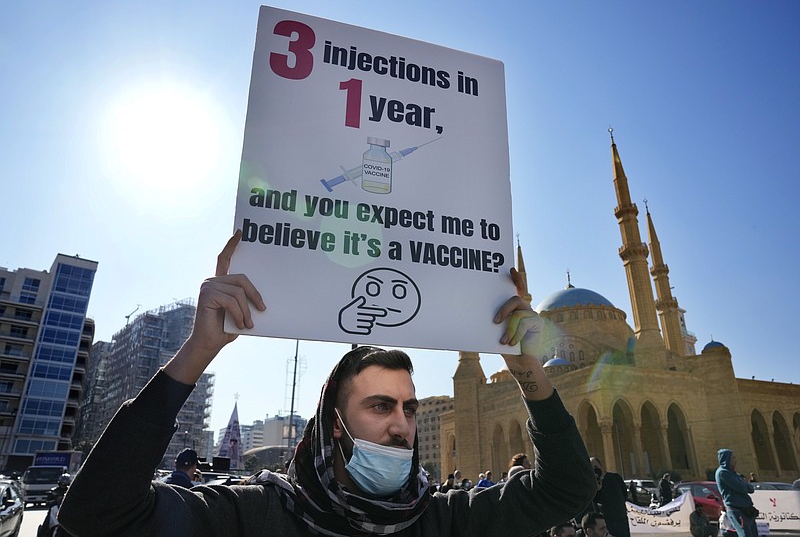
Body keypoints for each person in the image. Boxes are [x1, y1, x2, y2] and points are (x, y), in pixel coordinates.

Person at [59, 232, 595, 536]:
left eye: (408, 408)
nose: (402, 426)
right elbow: (98, 514)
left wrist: (528, 370)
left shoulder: (440, 520)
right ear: (332, 429)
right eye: (380, 406)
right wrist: (199, 349)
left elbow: (566, 490)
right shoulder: (258, 519)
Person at [716, 449, 758, 537]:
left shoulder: (734, 474)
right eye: (733, 458)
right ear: (727, 459)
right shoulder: (723, 473)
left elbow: (751, 489)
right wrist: (743, 482)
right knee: (745, 534)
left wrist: (742, 483)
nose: (735, 460)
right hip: (737, 509)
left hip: (747, 509)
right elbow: (742, 488)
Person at [588, 457, 630, 537]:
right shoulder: (594, 484)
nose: (595, 470)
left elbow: (624, 494)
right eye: (592, 468)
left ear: (601, 466)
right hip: (607, 521)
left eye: (596, 467)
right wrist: (597, 486)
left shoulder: (615, 477)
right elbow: (595, 500)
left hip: (621, 518)